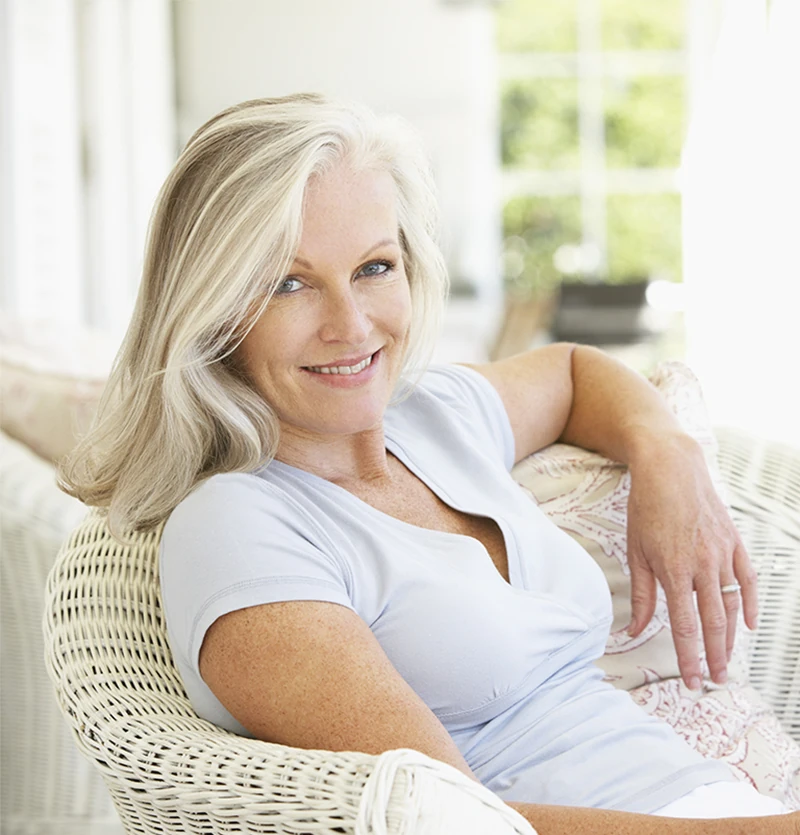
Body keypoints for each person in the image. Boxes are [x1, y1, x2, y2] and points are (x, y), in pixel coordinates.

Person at [61, 93, 797, 833]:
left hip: (719, 802)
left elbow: (573, 371)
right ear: (213, 310)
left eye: (374, 267)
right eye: (290, 282)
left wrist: (665, 450)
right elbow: (452, 820)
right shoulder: (236, 528)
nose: (351, 326)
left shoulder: (433, 415)